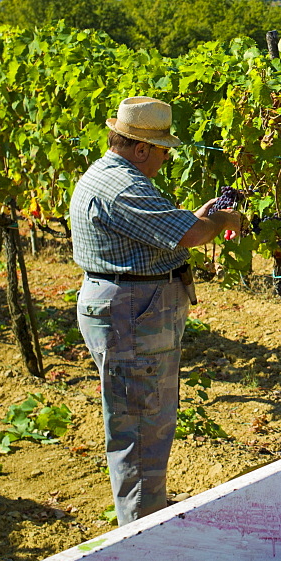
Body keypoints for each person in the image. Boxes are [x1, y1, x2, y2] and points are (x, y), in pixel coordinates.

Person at [70, 96, 241, 526]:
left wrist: (200, 219)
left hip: (124, 310)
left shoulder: (106, 176)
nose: (165, 160)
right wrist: (221, 222)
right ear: (141, 148)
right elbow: (190, 233)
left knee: (135, 421)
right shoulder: (125, 186)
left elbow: (167, 230)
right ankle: (142, 533)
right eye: (164, 151)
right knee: (144, 427)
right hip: (134, 318)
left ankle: (143, 510)